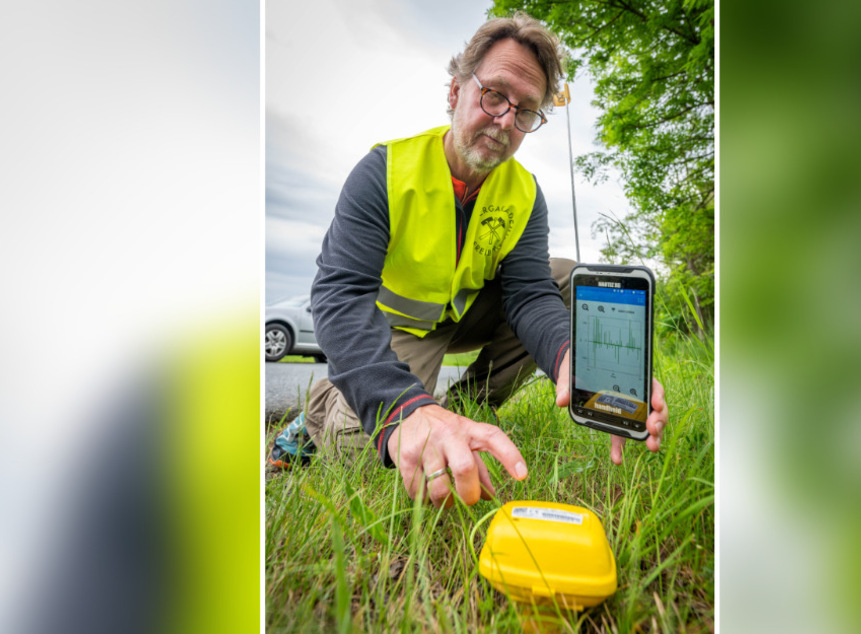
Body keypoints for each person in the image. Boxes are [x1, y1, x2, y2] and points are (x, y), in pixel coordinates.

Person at [268, 12, 669, 507]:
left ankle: (464, 411)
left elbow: (529, 296)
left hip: (464, 315)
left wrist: (576, 360)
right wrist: (402, 408)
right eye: (495, 94)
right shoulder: (384, 173)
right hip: (396, 329)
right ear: (455, 90)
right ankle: (321, 411)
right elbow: (339, 294)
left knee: (565, 277)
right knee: (372, 451)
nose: (505, 120)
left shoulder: (524, 194)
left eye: (525, 111)